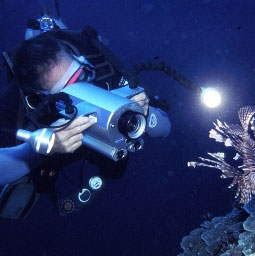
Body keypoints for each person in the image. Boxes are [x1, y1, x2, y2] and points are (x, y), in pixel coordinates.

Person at [0, 27, 171, 218]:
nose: (86, 91)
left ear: (79, 58)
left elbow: (165, 128)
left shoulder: (104, 72)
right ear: (43, 97)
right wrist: (41, 149)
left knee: (114, 170)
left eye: (81, 76)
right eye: (69, 93)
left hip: (108, 150)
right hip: (51, 153)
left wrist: (146, 115)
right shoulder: (23, 108)